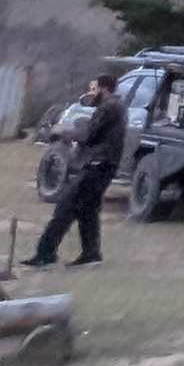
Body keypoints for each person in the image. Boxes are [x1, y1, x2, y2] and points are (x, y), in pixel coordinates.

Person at [34, 70, 124, 266]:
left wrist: (63, 131)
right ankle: (91, 254)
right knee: (87, 211)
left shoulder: (109, 107)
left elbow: (88, 135)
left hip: (97, 165)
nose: (92, 93)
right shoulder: (115, 106)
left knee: (65, 206)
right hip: (105, 166)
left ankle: (45, 254)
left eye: (95, 89)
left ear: (104, 88)